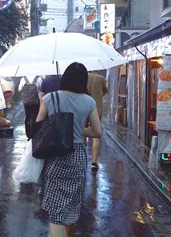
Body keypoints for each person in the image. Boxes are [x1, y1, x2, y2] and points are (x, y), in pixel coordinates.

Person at [36, 62, 103, 237]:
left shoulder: (50, 98)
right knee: (72, 202)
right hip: (77, 156)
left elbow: (38, 126)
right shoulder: (89, 101)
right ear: (83, 81)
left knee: (56, 208)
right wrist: (79, 129)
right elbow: (98, 131)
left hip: (55, 155)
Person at [86, 71, 108, 172]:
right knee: (96, 134)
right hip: (97, 109)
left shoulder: (84, 77)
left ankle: (82, 157)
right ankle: (94, 162)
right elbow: (105, 91)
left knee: (82, 132)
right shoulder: (101, 78)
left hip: (84, 108)